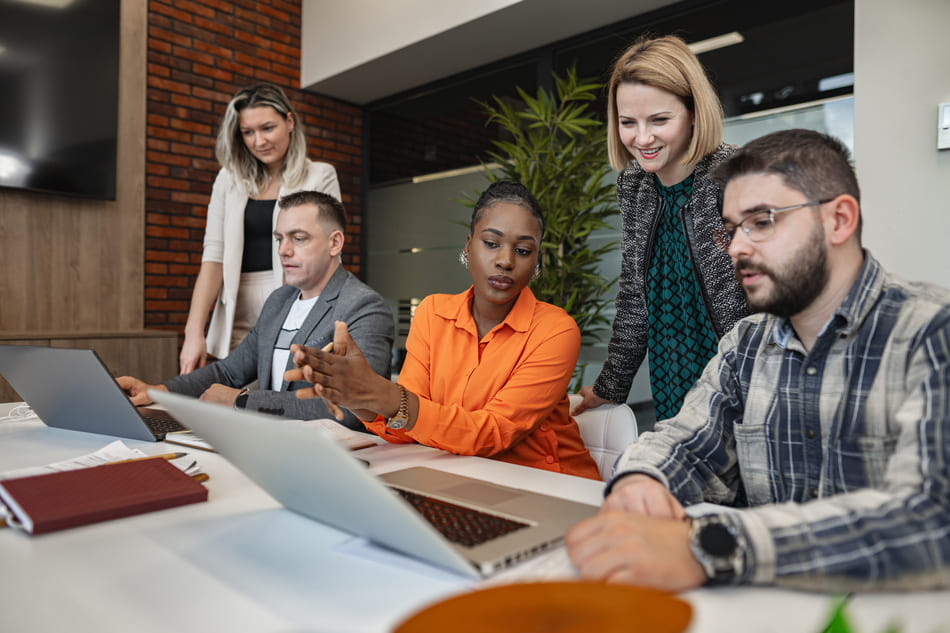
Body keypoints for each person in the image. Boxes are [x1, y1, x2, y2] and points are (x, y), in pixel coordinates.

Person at [565, 129, 950, 591]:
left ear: (840, 220)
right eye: (729, 229)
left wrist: (715, 548)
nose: (735, 248)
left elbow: (932, 519)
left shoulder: (930, 332)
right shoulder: (746, 343)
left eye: (762, 222)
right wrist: (641, 481)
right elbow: (683, 443)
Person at [285, 181, 601, 480]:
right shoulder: (433, 313)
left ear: (536, 261)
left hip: (552, 489)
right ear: (468, 245)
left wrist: (381, 393)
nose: (505, 260)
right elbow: (409, 425)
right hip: (464, 478)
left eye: (523, 251)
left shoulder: (555, 330)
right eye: (491, 243)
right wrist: (355, 395)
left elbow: (491, 432)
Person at [573, 35, 748, 422]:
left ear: (693, 112)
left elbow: (771, 294)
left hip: (742, 380)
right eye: (627, 122)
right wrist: (610, 387)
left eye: (659, 120)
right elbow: (636, 296)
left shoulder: (735, 175)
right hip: (672, 375)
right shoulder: (634, 188)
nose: (642, 138)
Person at [119, 191, 393, 430]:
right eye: (279, 239)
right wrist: (158, 391)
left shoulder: (364, 306)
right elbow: (227, 373)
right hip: (266, 442)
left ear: (335, 243)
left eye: (298, 238)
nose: (284, 250)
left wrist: (242, 401)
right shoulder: (280, 300)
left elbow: (353, 409)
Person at [179, 82, 341, 374]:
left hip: (295, 305)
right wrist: (194, 332)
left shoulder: (320, 175)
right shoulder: (228, 180)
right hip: (235, 312)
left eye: (267, 128)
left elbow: (328, 256)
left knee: (275, 403)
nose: (259, 141)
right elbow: (213, 258)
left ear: (289, 121)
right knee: (224, 399)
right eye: (248, 132)